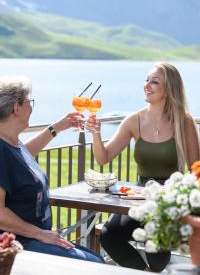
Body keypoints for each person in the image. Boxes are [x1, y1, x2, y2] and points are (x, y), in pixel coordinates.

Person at [85, 62, 200, 272]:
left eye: (154, 81)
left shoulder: (184, 122)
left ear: (169, 89)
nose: (147, 85)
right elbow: (103, 158)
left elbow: (196, 171)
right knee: (109, 236)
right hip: (139, 195)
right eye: (146, 80)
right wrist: (95, 133)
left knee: (155, 247)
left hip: (170, 200)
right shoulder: (134, 120)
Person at [0, 76, 104, 263]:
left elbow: (22, 159)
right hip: (18, 243)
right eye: (30, 102)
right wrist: (40, 233)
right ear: (17, 107)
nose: (32, 108)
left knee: (97, 259)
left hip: (34, 237)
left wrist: (58, 127)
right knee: (95, 264)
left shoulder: (11, 142)